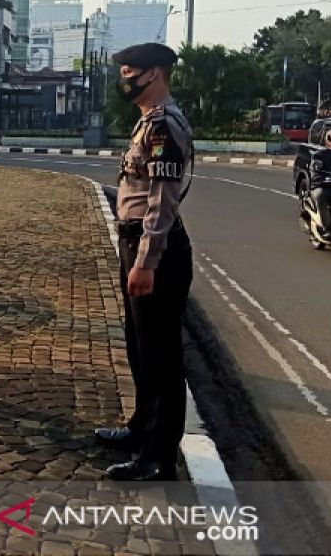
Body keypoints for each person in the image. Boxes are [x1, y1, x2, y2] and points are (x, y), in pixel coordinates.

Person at [95, 42, 194, 482]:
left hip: (155, 251)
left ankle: (159, 457)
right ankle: (141, 428)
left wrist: (146, 260)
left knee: (162, 354)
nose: (124, 80)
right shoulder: (146, 124)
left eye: (130, 72)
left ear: (154, 74)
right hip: (136, 244)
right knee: (140, 346)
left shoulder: (163, 127)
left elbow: (161, 199)